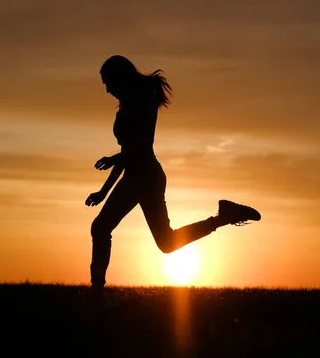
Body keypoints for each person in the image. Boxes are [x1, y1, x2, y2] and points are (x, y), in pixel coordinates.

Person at [85, 55, 261, 308]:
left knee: (103, 229)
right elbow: (127, 155)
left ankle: (96, 298)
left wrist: (114, 161)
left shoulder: (143, 101)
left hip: (146, 177)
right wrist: (103, 191)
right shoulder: (127, 105)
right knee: (162, 242)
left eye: (108, 82)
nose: (106, 89)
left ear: (120, 77)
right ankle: (223, 217)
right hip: (137, 176)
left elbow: (141, 146)